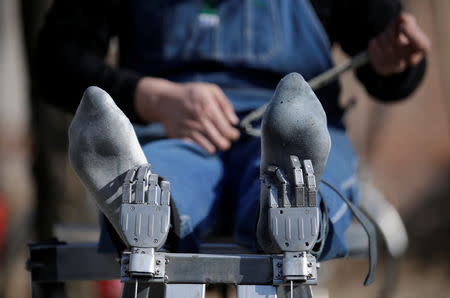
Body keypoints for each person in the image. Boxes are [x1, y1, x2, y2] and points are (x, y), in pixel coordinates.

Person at [34, 0, 429, 261]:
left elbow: (391, 61)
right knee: (164, 176)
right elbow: (55, 57)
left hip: (295, 128)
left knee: (294, 169)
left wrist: (400, 62)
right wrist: (146, 96)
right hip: (169, 129)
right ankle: (143, 206)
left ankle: (291, 209)